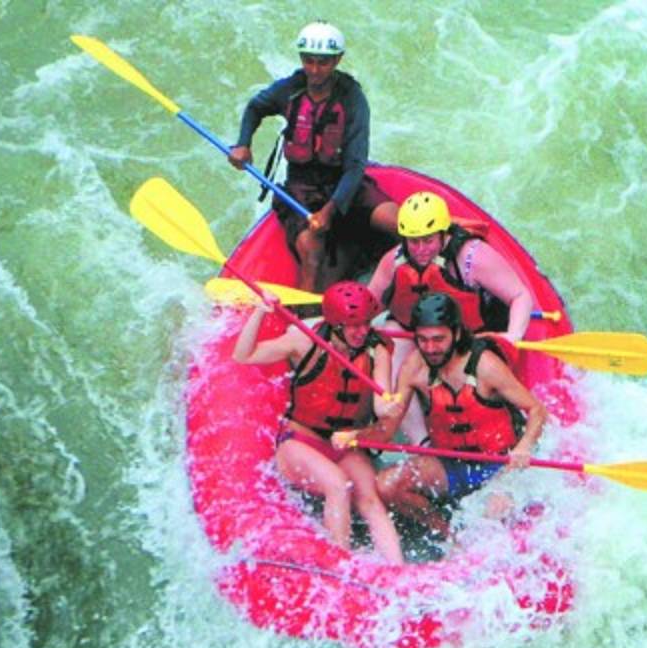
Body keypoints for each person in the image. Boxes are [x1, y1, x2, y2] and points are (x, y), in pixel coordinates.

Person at [337, 293, 547, 539]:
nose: (430, 348)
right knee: (387, 485)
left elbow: (537, 410)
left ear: (456, 334)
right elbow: (387, 429)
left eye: (438, 339)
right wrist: (356, 436)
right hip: (452, 462)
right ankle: (449, 536)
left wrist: (524, 446)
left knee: (493, 512)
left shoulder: (485, 366)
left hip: (500, 462)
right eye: (423, 340)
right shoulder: (414, 367)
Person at [232, 281, 403, 563]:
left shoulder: (377, 350)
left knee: (370, 499)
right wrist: (260, 312)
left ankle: (397, 571)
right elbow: (244, 355)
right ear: (335, 325)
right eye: (354, 326)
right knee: (338, 485)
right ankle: (340, 566)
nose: (362, 331)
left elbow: (380, 399)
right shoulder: (305, 341)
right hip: (300, 442)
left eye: (365, 323)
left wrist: (391, 406)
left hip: (343, 444)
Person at [228, 21, 398, 293]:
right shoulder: (289, 89)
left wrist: (330, 210)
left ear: (337, 60)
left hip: (345, 183)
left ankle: (453, 241)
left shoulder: (353, 99)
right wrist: (243, 145)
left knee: (395, 220)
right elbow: (255, 107)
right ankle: (304, 324)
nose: (315, 70)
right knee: (311, 251)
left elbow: (355, 166)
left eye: (324, 63)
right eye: (309, 61)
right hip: (300, 188)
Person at [362, 191, 534, 441]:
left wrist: (513, 335)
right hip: (418, 335)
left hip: (468, 337)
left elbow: (520, 296)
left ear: (444, 234)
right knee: (392, 343)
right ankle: (422, 441)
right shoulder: (395, 261)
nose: (420, 249)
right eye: (414, 241)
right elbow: (367, 306)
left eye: (428, 240)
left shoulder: (472, 257)